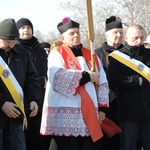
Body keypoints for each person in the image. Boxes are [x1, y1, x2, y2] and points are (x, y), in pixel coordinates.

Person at [40, 17, 109, 150]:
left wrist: (103, 109)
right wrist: (86, 76)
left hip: (89, 113)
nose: (76, 35)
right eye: (72, 33)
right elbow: (57, 77)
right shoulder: (56, 54)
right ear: (63, 38)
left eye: (77, 32)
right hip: (66, 116)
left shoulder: (91, 55)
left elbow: (103, 82)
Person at [108, 24, 150, 150]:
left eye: (142, 38)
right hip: (128, 111)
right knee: (128, 145)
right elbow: (113, 80)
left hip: (148, 110)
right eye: (135, 38)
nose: (139, 42)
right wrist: (135, 81)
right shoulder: (117, 57)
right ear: (126, 38)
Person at [0, 18, 40, 150]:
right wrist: (2, 103)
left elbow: (31, 79)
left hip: (16, 119)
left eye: (13, 42)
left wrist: (34, 99)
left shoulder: (22, 54)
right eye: (7, 42)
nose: (10, 46)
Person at [16, 18, 51, 150]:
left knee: (41, 137)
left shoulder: (40, 48)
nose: (26, 30)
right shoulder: (16, 49)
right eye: (23, 28)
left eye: (28, 28)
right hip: (24, 99)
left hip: (42, 99)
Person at [95, 16, 123, 150]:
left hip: (126, 104)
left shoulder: (127, 53)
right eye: (115, 32)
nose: (118, 35)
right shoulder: (96, 54)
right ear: (107, 35)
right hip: (106, 105)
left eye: (121, 32)